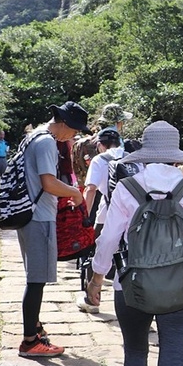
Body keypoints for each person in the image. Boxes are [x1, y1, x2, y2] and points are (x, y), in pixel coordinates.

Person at [85, 121, 183, 366]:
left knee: (135, 351)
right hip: (181, 290)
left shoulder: (128, 189)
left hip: (132, 287)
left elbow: (109, 239)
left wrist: (97, 276)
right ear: (175, 157)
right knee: (173, 365)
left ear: (144, 154)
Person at [16, 101, 89, 358]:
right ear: (65, 124)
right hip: (39, 216)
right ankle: (29, 341)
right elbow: (48, 183)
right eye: (75, 130)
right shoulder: (47, 141)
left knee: (35, 277)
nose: (75, 136)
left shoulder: (32, 137)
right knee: (36, 280)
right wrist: (74, 193)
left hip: (29, 215)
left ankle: (35, 329)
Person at [77, 126, 124, 314]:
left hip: (109, 210)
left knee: (94, 251)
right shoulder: (131, 155)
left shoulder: (100, 159)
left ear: (100, 145)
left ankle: (92, 299)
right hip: (134, 212)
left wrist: (84, 217)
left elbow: (90, 190)